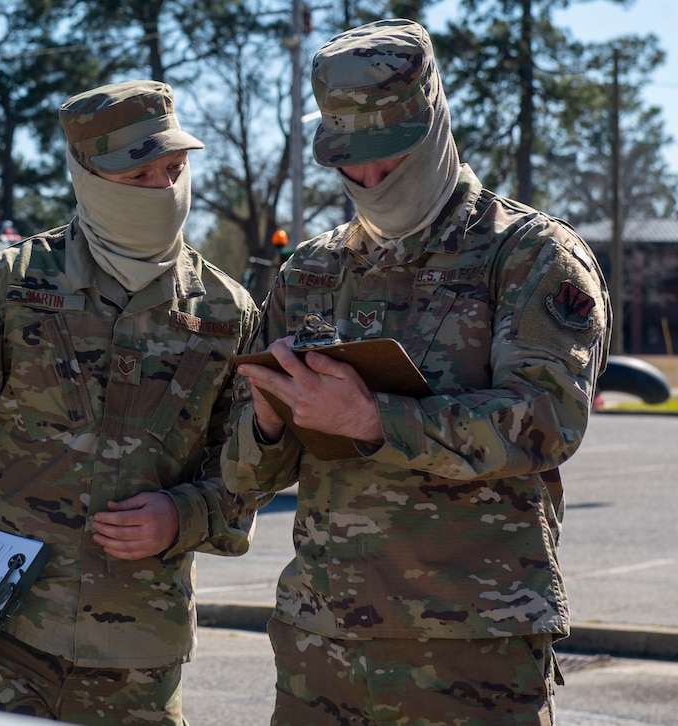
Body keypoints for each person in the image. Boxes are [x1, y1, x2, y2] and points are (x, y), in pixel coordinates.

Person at [222, 19, 611, 725]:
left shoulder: (526, 254)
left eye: (387, 158)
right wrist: (271, 420)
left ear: (431, 125)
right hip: (322, 647)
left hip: (470, 649)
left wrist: (376, 421)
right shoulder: (310, 271)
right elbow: (243, 476)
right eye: (349, 162)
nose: (367, 180)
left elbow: (548, 423)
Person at [0, 80, 267, 724]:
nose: (164, 190)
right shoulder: (9, 288)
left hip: (138, 649)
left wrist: (183, 515)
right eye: (138, 175)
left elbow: (250, 473)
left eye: (174, 168)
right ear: (90, 176)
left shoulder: (228, 313)